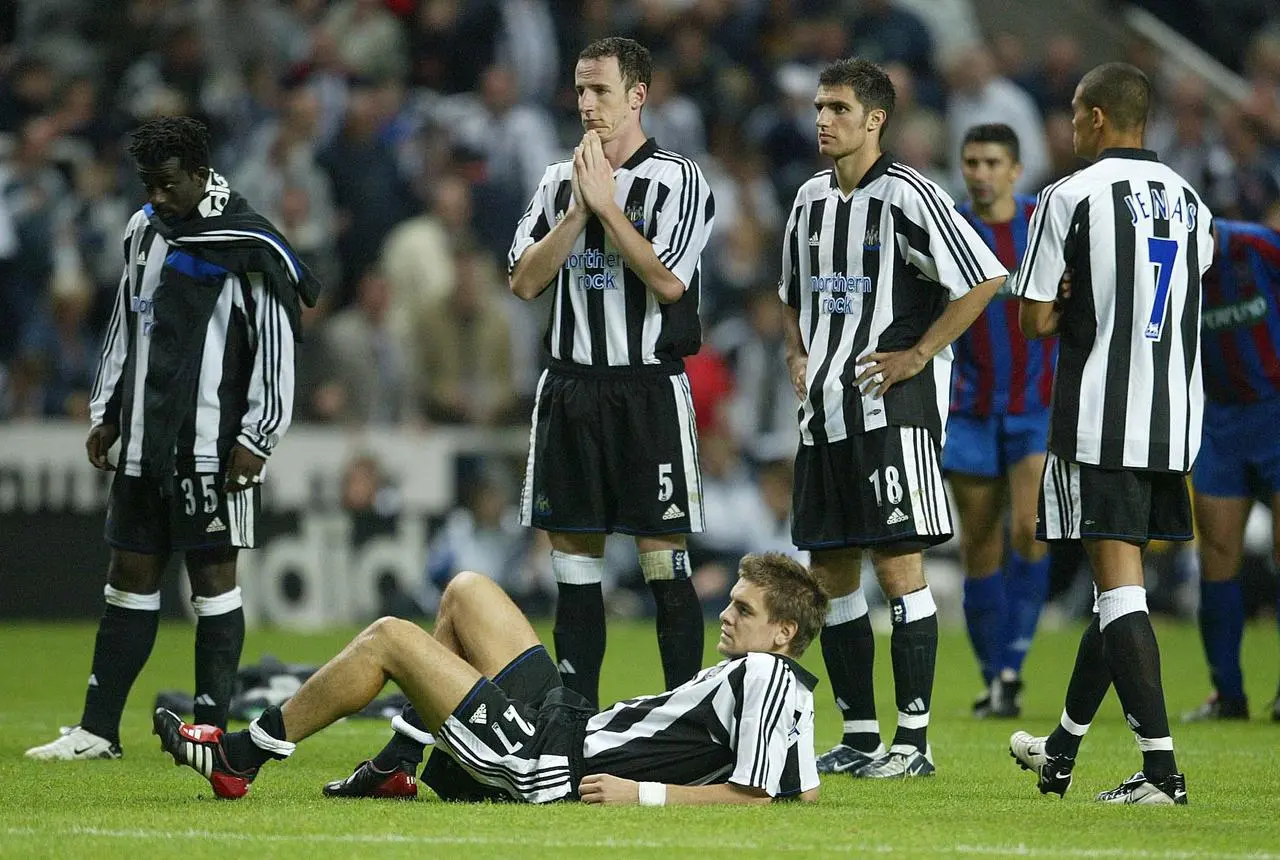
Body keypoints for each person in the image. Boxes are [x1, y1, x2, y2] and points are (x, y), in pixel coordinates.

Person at [25, 116, 319, 761]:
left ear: (198, 172)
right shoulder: (142, 231)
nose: (154, 197)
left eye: (166, 185)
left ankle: (210, 732)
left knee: (212, 577)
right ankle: (98, 731)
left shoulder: (246, 240)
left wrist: (261, 435)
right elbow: (126, 327)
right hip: (145, 439)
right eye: (146, 185)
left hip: (216, 443)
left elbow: (276, 344)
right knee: (128, 572)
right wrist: (106, 409)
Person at [152, 553, 826, 805]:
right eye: (732, 601)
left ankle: (240, 757)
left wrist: (639, 795)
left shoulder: (765, 674)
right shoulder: (774, 685)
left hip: (551, 760)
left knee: (390, 636)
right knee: (468, 590)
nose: (727, 615)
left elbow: (755, 796)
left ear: (784, 634)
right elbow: (803, 792)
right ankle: (395, 763)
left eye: (744, 609)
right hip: (566, 720)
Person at [780, 58, 1006, 779]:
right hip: (825, 417)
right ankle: (860, 732)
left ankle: (914, 742)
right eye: (819, 108)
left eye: (838, 109)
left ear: (875, 120)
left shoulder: (909, 194)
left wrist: (917, 354)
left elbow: (984, 277)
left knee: (898, 563)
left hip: (891, 409)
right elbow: (791, 292)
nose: (823, 120)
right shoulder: (808, 199)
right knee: (831, 570)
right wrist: (795, 354)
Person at [1009, 62, 1212, 805]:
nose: (1067, 126)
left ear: (1095, 118)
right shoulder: (1194, 203)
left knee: (1119, 590)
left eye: (1071, 112)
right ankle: (1060, 752)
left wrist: (1066, 304)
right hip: (1174, 419)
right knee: (1114, 588)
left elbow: (1031, 318)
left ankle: (1161, 773)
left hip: (1100, 417)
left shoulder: (1069, 196)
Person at [944, 123, 1054, 719]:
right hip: (968, 408)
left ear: (1015, 169)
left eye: (992, 163)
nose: (981, 174)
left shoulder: (1044, 223)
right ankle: (995, 681)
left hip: (1035, 407)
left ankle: (1013, 659)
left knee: (1030, 527)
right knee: (979, 542)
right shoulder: (951, 228)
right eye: (972, 162)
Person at [1183, 204, 1280, 723]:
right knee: (1217, 556)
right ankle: (1228, 695)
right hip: (1219, 422)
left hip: (1275, 413)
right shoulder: (1171, 266)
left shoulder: (1259, 246)